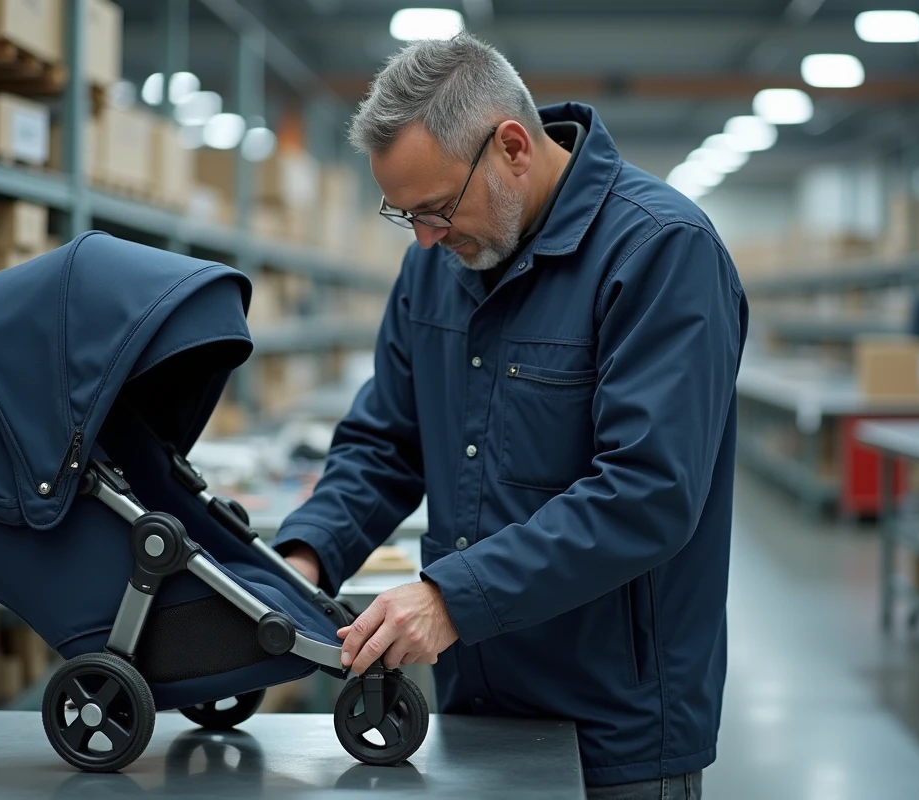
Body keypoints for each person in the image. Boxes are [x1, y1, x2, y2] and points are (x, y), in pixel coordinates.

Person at [272, 32, 749, 799]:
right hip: (474, 706)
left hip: (614, 732)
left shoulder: (661, 253)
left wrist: (451, 598)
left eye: (435, 210)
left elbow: (648, 492)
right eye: (405, 217)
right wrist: (304, 559)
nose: (425, 240)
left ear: (514, 148)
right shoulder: (442, 261)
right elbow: (386, 443)